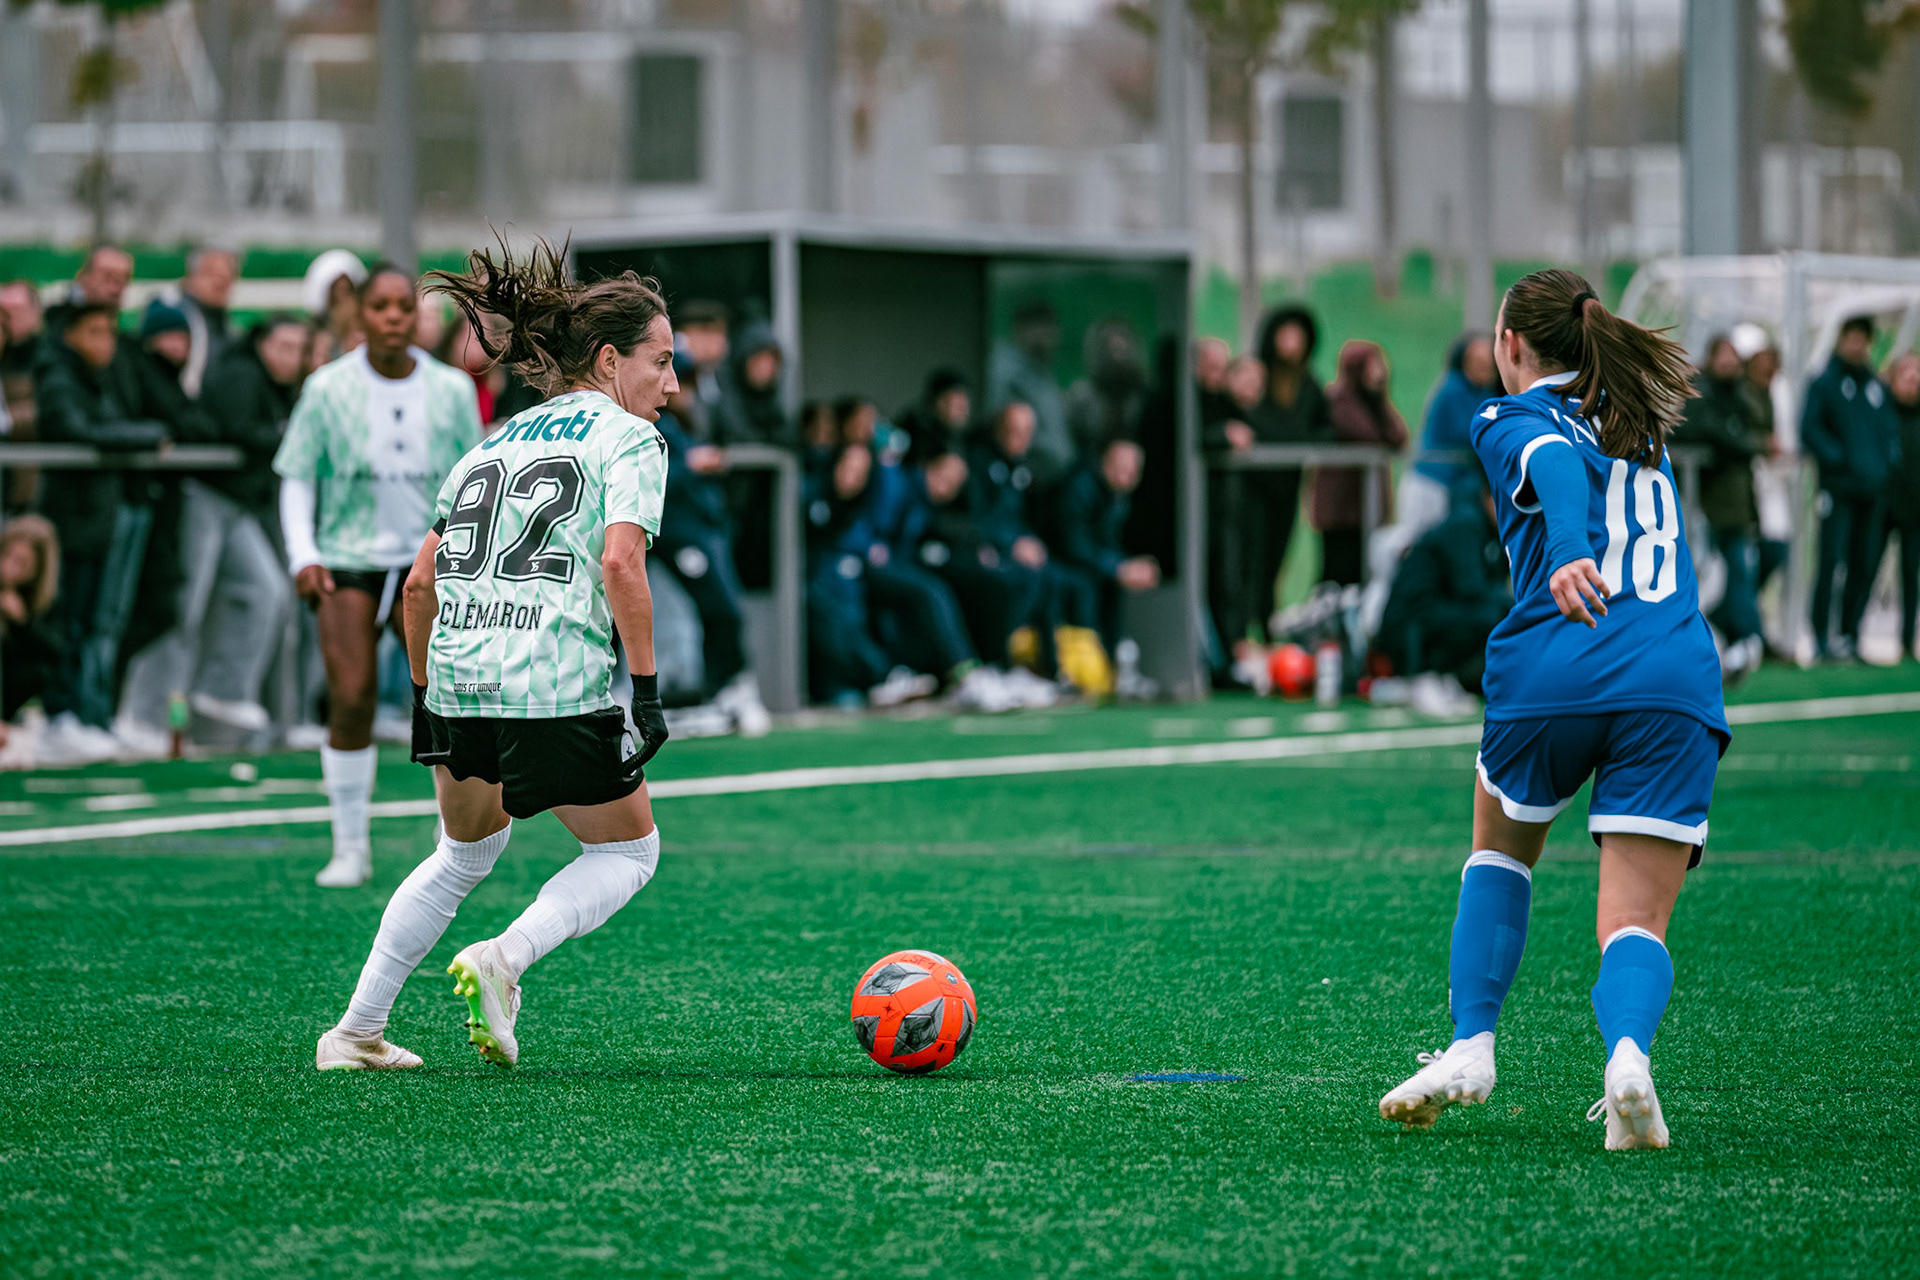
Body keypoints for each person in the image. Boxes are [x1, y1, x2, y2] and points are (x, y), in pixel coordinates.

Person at [1378, 268, 1726, 1152]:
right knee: (1634, 921)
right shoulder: (1642, 431)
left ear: (1511, 347)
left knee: (1499, 848)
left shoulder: (1506, 416)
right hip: (1673, 676)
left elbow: (1551, 466)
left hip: (1557, 665)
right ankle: (1628, 1064)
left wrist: (1566, 548)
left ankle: (1471, 1046)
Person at [314, 238, 674, 1072]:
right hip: (547, 682)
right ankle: (504, 959)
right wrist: (648, 691)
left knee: (464, 851)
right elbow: (619, 562)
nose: (673, 384)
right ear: (612, 359)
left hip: (459, 683)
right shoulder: (627, 439)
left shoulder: (493, 440)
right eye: (661, 361)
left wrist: (422, 694)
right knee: (628, 851)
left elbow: (415, 584)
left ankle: (356, 1031)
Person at [275, 264, 482, 888]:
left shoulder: (450, 389)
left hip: (429, 563)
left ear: (417, 317)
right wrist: (302, 554)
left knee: (443, 699)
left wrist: (470, 561)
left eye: (403, 307)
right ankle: (349, 847)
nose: (393, 317)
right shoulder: (327, 386)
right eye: (380, 306)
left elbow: (472, 480)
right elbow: (297, 475)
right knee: (352, 697)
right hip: (347, 559)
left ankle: (450, 838)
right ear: (361, 314)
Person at [32, 300, 168, 760]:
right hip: (68, 518)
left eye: (109, 332)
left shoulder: (101, 378)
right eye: (94, 332)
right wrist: (149, 435)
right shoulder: (58, 376)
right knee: (69, 620)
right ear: (70, 335)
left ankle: (94, 715)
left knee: (99, 620)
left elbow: (108, 423)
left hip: (98, 516)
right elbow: (80, 429)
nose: (104, 342)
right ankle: (62, 716)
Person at [653, 359, 771, 734]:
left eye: (688, 382)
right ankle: (726, 689)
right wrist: (693, 465)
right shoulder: (654, 423)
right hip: (675, 533)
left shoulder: (686, 423)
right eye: (681, 381)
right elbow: (654, 477)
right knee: (721, 609)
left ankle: (724, 690)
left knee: (724, 610)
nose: (682, 390)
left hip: (702, 530)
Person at [1802, 315, 1900, 660]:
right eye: (1852, 338)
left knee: (1865, 564)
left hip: (1872, 493)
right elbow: (1810, 429)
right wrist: (1840, 460)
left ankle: (1850, 633)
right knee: (1831, 561)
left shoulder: (1876, 387)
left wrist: (1886, 464)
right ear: (1842, 339)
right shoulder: (1824, 384)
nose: (1857, 346)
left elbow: (1890, 433)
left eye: (1863, 339)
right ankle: (1819, 637)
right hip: (1838, 490)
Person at [1673, 334, 1769, 678]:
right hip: (1702, 506)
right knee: (1706, 578)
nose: (1730, 362)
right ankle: (1713, 644)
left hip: (1735, 507)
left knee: (1735, 576)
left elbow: (1752, 436)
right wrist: (1741, 441)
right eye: (1724, 354)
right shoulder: (1699, 392)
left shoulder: (1742, 395)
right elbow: (1707, 432)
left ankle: (1741, 643)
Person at [1372, 481, 1508, 694]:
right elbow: (1472, 591)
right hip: (1412, 628)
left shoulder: (1486, 529)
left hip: (1432, 618)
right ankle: (1438, 676)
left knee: (1499, 616)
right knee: (1496, 618)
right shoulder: (1465, 525)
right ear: (1489, 497)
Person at [1314, 339, 1407, 586]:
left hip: (1368, 507)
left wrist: (1380, 398)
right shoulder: (1339, 400)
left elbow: (1398, 436)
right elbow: (1368, 436)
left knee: (1365, 574)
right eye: (1371, 366)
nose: (1378, 372)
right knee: (1338, 574)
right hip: (1341, 511)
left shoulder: (1374, 402)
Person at [1052, 437, 1159, 649]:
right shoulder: (1080, 488)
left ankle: (1111, 665)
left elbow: (1109, 542)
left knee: (1115, 587)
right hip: (1062, 561)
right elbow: (1073, 545)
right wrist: (1118, 568)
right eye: (1120, 468)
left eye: (1132, 472)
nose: (1125, 477)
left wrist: (1130, 565)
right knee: (1088, 586)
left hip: (1091, 563)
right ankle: (1090, 662)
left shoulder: (1117, 497)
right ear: (1104, 462)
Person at [1402, 332, 1497, 536]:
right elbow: (1470, 431)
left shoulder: (1484, 392)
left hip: (1453, 485)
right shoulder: (1452, 388)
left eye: (1489, 361)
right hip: (1431, 481)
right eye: (1478, 361)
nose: (1486, 367)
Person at [987, 301, 1074, 482]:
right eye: (1036, 326)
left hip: (1053, 478)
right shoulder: (1007, 372)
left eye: (1048, 327)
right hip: (1023, 476)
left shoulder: (1044, 372)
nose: (1043, 334)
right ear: (1019, 329)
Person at [0, 515, 62, 723]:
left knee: (38, 671)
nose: (8, 567)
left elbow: (56, 651)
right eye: (6, 555)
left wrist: (22, 621)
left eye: (22, 563)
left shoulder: (35, 599)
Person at [1880, 352, 1920, 660]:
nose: (1914, 379)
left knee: (1911, 576)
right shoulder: (1880, 411)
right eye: (1908, 372)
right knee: (1864, 569)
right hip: (1880, 507)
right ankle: (1845, 637)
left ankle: (1907, 641)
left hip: (1915, 509)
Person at [173, 246, 237, 397]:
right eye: (211, 273)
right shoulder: (175, 320)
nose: (221, 280)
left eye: (229, 274)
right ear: (188, 278)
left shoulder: (226, 326)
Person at [896, 367, 972, 467]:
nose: (964, 410)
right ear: (939, 402)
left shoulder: (959, 439)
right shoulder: (915, 431)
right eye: (958, 406)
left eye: (964, 405)